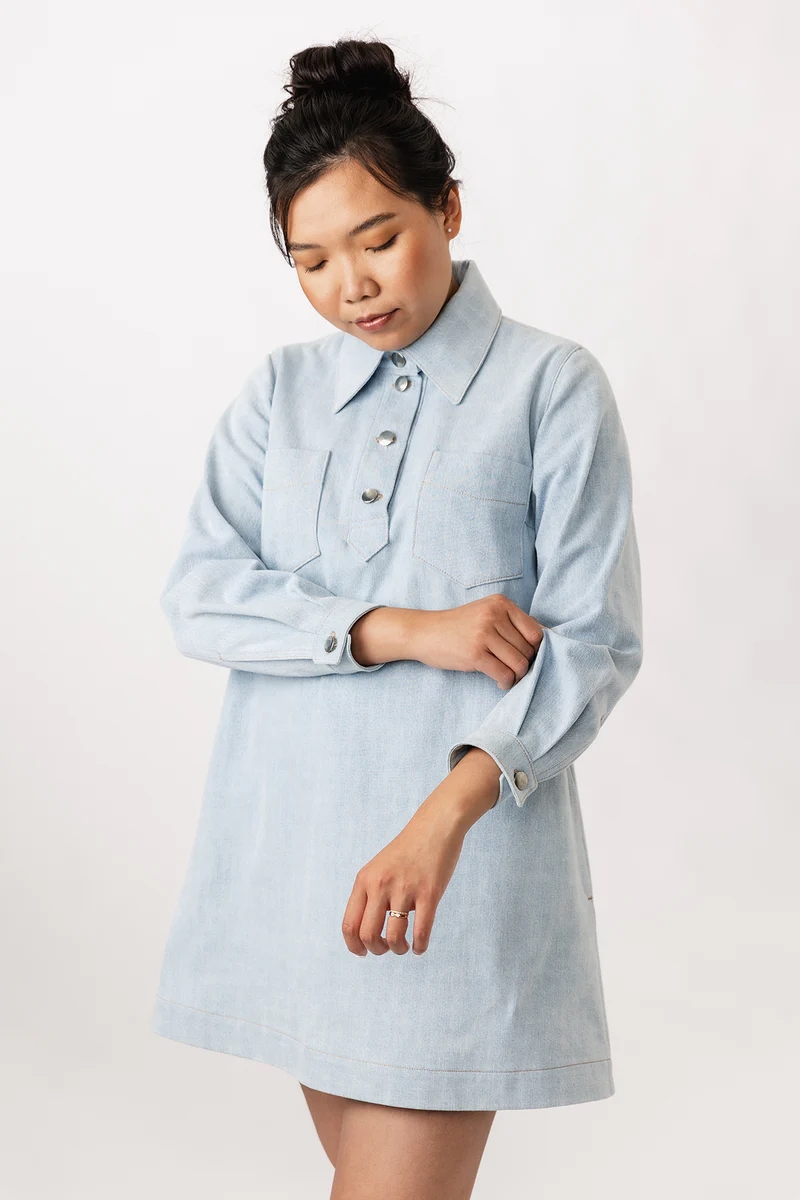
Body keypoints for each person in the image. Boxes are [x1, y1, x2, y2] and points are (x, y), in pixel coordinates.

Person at [151, 36, 644, 1200]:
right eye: (312, 259)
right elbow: (202, 596)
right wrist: (406, 627)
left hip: (452, 875)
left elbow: (592, 642)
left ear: (447, 208)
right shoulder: (278, 394)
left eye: (378, 239)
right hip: (294, 868)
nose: (351, 285)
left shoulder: (550, 386)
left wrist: (441, 816)